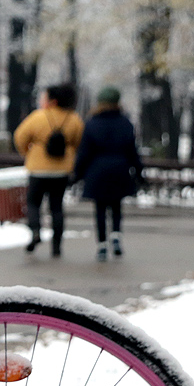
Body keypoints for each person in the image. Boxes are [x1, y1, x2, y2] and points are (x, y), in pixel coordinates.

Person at [13, 84, 85, 258]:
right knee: (57, 207)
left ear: (52, 100)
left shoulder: (38, 117)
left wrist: (28, 152)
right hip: (62, 170)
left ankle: (36, 231)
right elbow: (79, 142)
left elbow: (20, 137)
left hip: (38, 169)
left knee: (33, 203)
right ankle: (57, 246)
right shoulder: (74, 119)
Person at [73, 86, 143, 261]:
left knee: (100, 208)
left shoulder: (91, 124)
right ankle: (116, 236)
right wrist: (139, 173)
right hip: (120, 170)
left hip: (97, 171)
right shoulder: (125, 123)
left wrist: (77, 174)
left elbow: (84, 153)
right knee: (117, 206)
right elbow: (132, 151)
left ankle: (102, 245)